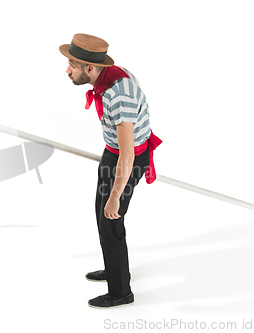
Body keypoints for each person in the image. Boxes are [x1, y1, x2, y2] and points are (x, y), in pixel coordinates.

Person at [59, 33, 161, 308]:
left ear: (89, 68)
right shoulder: (108, 77)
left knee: (111, 220)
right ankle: (117, 270)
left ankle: (120, 292)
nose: (67, 70)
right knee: (101, 215)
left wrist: (116, 194)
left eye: (72, 65)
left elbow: (128, 155)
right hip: (113, 153)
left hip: (127, 161)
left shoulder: (120, 95)